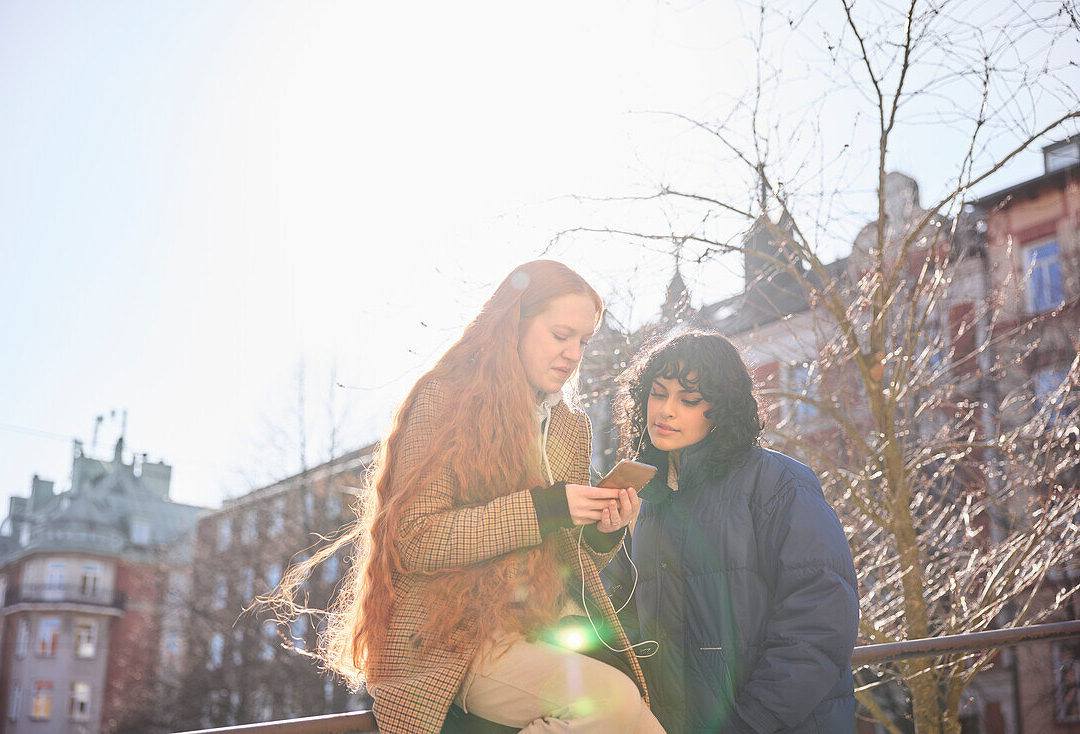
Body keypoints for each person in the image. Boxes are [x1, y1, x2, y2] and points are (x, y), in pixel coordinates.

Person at [273, 260, 665, 734]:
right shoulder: (444, 401)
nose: (572, 353)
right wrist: (547, 507)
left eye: (583, 341)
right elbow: (415, 539)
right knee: (612, 701)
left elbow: (562, 565)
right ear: (513, 325)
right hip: (450, 640)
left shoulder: (570, 427)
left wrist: (604, 534)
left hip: (538, 631)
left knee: (645, 725)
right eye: (561, 334)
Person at [604, 329, 858, 733]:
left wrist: (749, 724)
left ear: (722, 408)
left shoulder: (780, 482)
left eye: (688, 400)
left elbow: (820, 623)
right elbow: (628, 631)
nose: (665, 411)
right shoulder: (646, 501)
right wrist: (604, 539)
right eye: (657, 393)